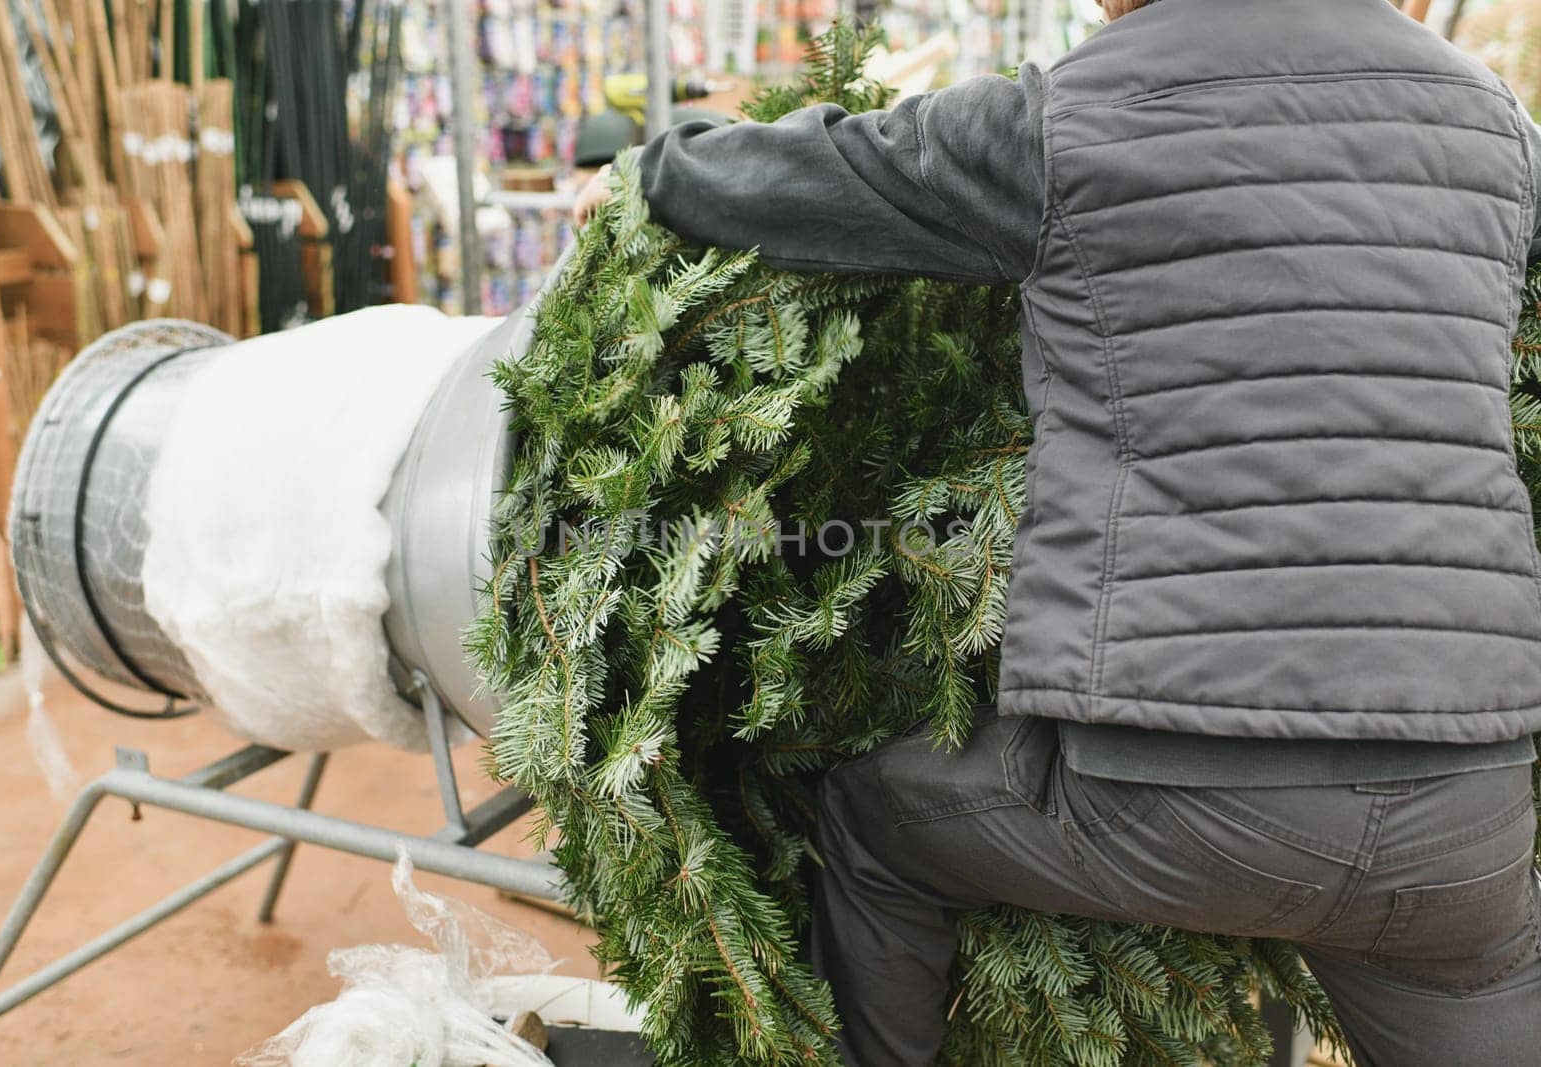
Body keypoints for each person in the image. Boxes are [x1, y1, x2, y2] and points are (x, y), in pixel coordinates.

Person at [574, 1, 1541, 1063]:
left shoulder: (1075, 113)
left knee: (871, 821)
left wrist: (645, 175)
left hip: (1181, 786)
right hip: (1468, 807)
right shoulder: (1490, 117)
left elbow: (832, 172)